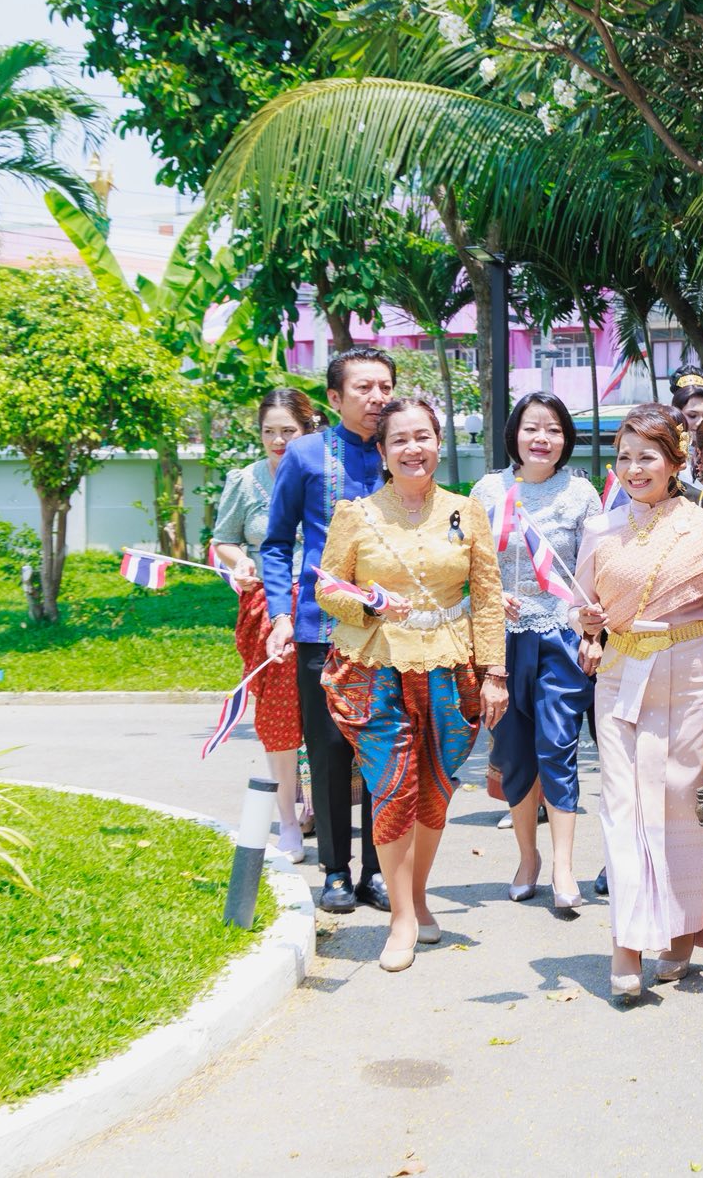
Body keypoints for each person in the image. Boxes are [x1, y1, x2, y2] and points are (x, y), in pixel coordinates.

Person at [572, 403, 703, 1001]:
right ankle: (625, 945)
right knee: (623, 811)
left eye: (646, 457)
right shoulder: (601, 529)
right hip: (621, 681)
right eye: (624, 457)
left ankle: (679, 937)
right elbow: (582, 610)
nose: (633, 468)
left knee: (682, 811)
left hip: (693, 683)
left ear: (675, 462)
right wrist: (588, 627)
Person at [314, 397, 506, 971]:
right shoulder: (356, 514)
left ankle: (418, 896)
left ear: (438, 443)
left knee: (435, 791)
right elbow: (328, 589)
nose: (412, 449)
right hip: (376, 670)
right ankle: (400, 918)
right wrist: (372, 605)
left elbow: (489, 596)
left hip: (452, 668)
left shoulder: (466, 510)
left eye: (422, 437)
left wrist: (494, 672)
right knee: (393, 786)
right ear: (382, 451)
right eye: (399, 440)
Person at [262, 346, 397, 914]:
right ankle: (336, 872)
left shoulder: (406, 452)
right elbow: (275, 543)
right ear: (335, 399)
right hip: (322, 630)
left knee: (384, 755)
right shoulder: (305, 455)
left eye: (385, 387)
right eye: (363, 389)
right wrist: (282, 614)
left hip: (394, 630)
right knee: (329, 752)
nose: (377, 399)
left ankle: (378, 870)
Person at [470, 393, 599, 908]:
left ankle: (564, 868)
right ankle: (528, 857)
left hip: (560, 637)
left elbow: (594, 569)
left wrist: (592, 633)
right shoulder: (486, 491)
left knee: (558, 747)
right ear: (514, 436)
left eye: (552, 429)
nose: (541, 439)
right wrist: (484, 592)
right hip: (501, 642)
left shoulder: (582, 494)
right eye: (531, 428)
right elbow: (468, 563)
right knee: (513, 753)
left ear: (565, 439)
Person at [210, 388, 318, 863]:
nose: (278, 441)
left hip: (322, 605)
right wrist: (238, 565)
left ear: (308, 428)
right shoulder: (245, 480)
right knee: (278, 716)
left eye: (288, 431)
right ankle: (288, 823)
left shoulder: (325, 474)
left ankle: (320, 806)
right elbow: (224, 540)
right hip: (268, 610)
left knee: (330, 710)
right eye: (268, 432)